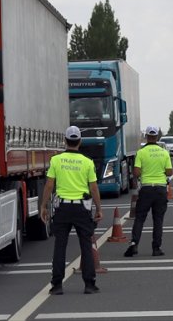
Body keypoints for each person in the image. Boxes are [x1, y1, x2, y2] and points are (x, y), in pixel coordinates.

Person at [40, 125, 103, 295]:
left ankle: (57, 285)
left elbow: (49, 185)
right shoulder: (87, 162)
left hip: (62, 207)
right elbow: (94, 187)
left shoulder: (56, 160)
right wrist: (98, 208)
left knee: (60, 246)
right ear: (79, 141)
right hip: (82, 208)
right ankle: (89, 284)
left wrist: (44, 206)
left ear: (65, 141)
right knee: (86, 245)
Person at [124, 125, 172, 257]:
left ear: (146, 137)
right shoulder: (164, 152)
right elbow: (169, 171)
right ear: (157, 137)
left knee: (139, 218)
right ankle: (156, 248)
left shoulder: (141, 152)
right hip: (160, 189)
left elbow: (137, 172)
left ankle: (134, 244)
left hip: (146, 189)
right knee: (158, 220)